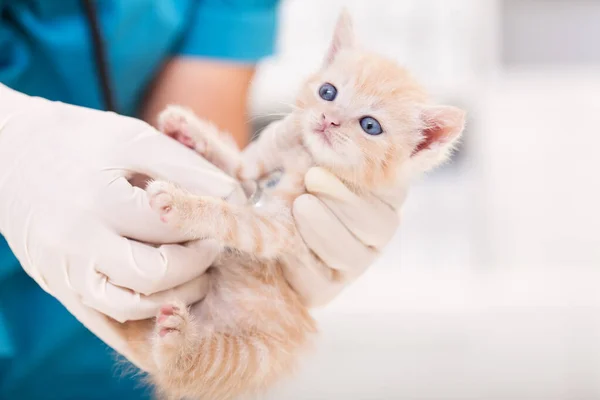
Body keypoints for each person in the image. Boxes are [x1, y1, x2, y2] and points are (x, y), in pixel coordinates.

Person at [0, 1, 402, 399]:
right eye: (329, 93)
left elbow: (203, 182)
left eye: (367, 124)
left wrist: (221, 192)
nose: (332, 118)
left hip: (109, 342)